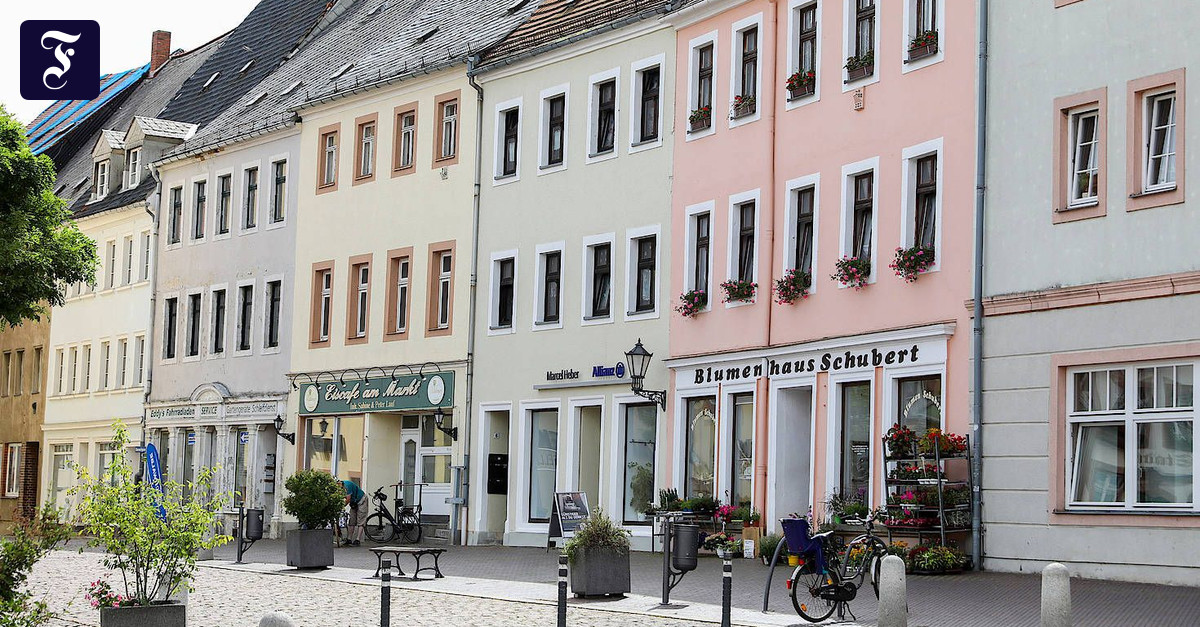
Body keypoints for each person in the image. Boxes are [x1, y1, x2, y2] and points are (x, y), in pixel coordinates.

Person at [342, 479, 369, 547]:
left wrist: (341, 507)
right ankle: (349, 539)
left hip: (362, 499)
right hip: (354, 502)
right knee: (352, 520)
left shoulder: (347, 485)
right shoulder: (340, 488)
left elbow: (348, 499)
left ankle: (358, 540)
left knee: (361, 520)